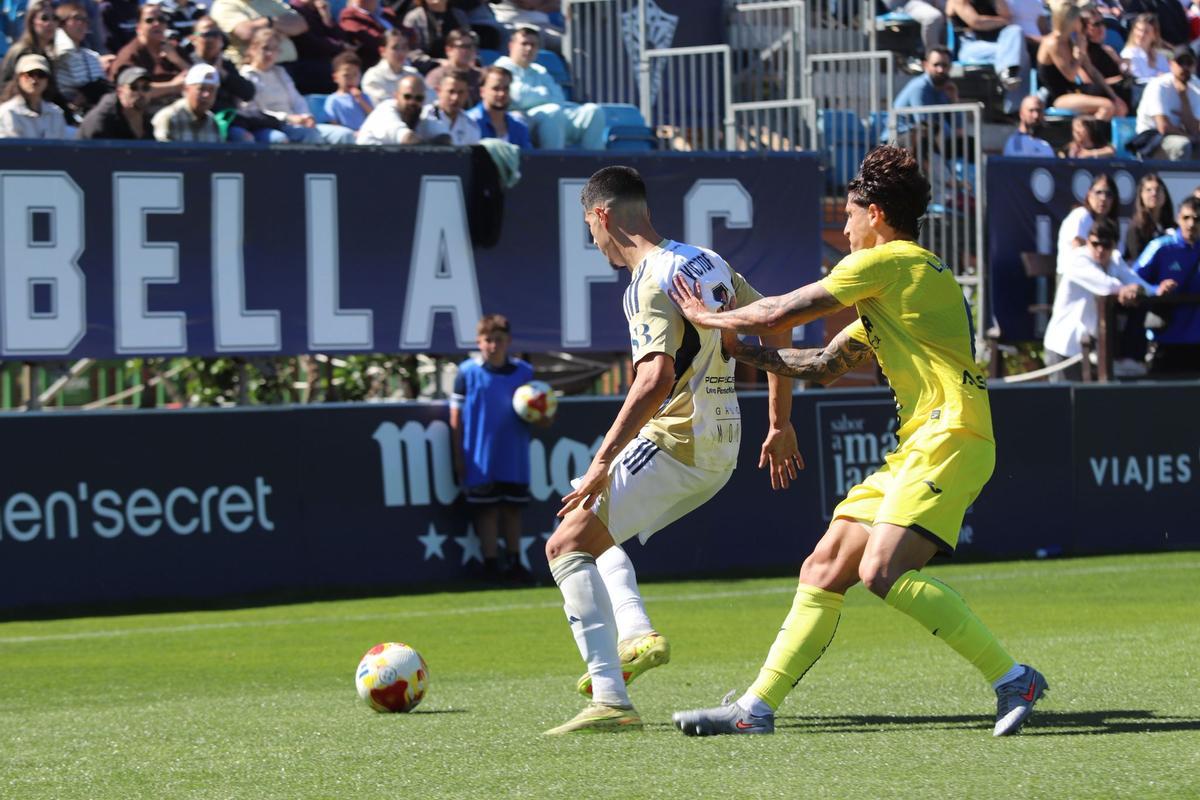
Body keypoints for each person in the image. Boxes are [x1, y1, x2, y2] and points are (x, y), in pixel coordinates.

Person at [668, 145, 1046, 739]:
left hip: (951, 432)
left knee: (882, 570)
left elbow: (779, 313)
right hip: (923, 442)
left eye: (848, 215)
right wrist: (744, 353)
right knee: (824, 566)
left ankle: (1012, 678)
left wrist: (708, 319)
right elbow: (822, 364)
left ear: (876, 214)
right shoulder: (900, 282)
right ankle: (754, 709)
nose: (844, 228)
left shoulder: (888, 262)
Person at [542, 165, 800, 735]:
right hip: (723, 445)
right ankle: (636, 634)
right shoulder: (705, 261)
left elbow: (654, 377)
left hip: (678, 440)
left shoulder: (648, 280)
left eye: (589, 227)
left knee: (563, 544)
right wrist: (779, 421)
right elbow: (777, 326)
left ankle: (610, 698)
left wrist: (602, 460)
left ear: (602, 215)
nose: (592, 240)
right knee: (589, 529)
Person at [449, 314, 544, 584]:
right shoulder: (467, 372)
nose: (493, 345)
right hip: (479, 457)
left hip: (514, 456)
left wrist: (544, 417)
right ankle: (490, 565)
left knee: (512, 509)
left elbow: (538, 411)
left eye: (498, 340)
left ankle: (515, 563)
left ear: (508, 341)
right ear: (478, 342)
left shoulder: (524, 372)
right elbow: (455, 417)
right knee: (487, 510)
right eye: (488, 340)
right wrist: (458, 456)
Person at [1042, 217, 1171, 381]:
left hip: (1090, 349)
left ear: (1115, 245)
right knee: (1063, 397)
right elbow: (1106, 286)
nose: (1100, 250)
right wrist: (1129, 290)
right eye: (1095, 244)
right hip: (1063, 347)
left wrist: (1156, 290)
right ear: (1087, 241)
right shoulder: (1077, 259)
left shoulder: (1115, 259)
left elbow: (1135, 281)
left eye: (1106, 245)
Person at [493, 26, 605, 150]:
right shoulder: (501, 68)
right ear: (511, 46)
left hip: (553, 117)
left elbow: (559, 97)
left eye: (533, 45)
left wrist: (533, 95)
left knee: (593, 111)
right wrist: (544, 94)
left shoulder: (540, 70)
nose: (529, 49)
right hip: (522, 120)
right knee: (553, 112)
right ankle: (555, 160)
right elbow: (518, 97)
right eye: (524, 44)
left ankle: (594, 159)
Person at [239, 28, 357, 143]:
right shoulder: (246, 75)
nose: (270, 54)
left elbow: (297, 100)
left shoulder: (280, 72)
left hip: (296, 123)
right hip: (271, 125)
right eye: (265, 48)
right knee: (309, 135)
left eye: (275, 49)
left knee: (344, 135)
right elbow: (253, 112)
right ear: (253, 49)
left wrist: (306, 116)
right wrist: (287, 118)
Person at [1135, 197, 1200, 375]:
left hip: (1196, 339)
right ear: (1178, 218)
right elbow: (1132, 279)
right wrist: (1156, 289)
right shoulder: (1160, 247)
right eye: (1186, 218)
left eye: (1197, 219)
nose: (1191, 224)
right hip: (1165, 338)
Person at [1036, 2, 1125, 120]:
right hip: (1058, 96)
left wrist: (1114, 96)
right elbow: (1071, 75)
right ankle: (1087, 130)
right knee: (1107, 106)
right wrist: (1080, 52)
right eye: (1078, 19)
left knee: (1119, 107)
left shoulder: (1069, 40)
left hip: (1073, 91)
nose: (1081, 23)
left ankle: (1094, 128)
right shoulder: (1053, 42)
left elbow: (1092, 70)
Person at [189, 16, 266, 143]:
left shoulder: (225, 65)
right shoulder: (186, 62)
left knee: (276, 138)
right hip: (202, 124)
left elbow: (248, 93)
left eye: (216, 35)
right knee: (243, 138)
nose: (212, 39)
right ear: (193, 38)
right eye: (206, 34)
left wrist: (223, 74)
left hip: (231, 121)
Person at [944, 0, 1029, 113]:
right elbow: (976, 22)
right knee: (1016, 53)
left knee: (1015, 31)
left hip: (996, 44)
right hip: (970, 46)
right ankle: (1014, 104)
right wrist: (1002, 21)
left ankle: (1007, 76)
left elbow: (1008, 17)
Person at [107, 3, 192, 114]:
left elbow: (198, 79)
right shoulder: (130, 54)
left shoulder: (173, 48)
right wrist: (173, 86)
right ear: (139, 27)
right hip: (142, 112)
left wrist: (177, 60)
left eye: (161, 19)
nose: (157, 24)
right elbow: (134, 90)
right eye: (149, 20)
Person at [1133, 44, 1200, 161]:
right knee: (1183, 145)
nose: (1184, 67)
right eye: (1180, 62)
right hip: (1151, 140)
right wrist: (1190, 137)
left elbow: (1194, 129)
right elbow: (1163, 127)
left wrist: (1183, 98)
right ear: (1171, 64)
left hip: (1181, 135)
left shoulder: (1196, 86)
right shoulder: (1158, 85)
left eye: (1189, 63)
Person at [357, 71, 450, 143]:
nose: (412, 102)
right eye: (407, 97)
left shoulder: (422, 115)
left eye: (418, 98)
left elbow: (445, 138)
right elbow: (407, 139)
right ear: (396, 96)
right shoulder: (385, 110)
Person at [53, 1, 110, 114]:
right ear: (61, 23)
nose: (82, 23)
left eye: (85, 20)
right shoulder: (58, 54)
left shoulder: (92, 56)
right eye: (77, 18)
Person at [209, 0, 308, 66]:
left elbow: (301, 24)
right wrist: (271, 22)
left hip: (291, 65)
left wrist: (267, 25)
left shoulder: (270, 1)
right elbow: (246, 33)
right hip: (257, 70)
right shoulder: (225, 5)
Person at [1057, 172, 1118, 275]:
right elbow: (1078, 252)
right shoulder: (1080, 215)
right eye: (1098, 192)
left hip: (1100, 276)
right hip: (1074, 276)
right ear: (1089, 194)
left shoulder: (1109, 224)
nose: (1103, 198)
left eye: (1109, 194)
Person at [288, 0, 354, 94]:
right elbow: (310, 42)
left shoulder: (318, 9)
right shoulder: (293, 10)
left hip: (326, 59)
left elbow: (341, 37)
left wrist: (326, 17)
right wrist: (341, 47)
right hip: (308, 65)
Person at [77, 63, 154, 138]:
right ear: (120, 92)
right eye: (133, 87)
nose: (140, 92)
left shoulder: (144, 116)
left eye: (145, 87)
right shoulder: (103, 119)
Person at [0, 53, 68, 138]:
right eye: (30, 74)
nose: (35, 80)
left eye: (41, 74)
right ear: (18, 78)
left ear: (48, 80)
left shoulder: (56, 113)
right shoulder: (8, 112)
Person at [151, 61, 222, 141]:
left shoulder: (213, 122)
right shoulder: (168, 117)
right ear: (186, 89)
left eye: (212, 90)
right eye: (201, 89)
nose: (206, 95)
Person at [466, 65, 532, 148]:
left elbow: (527, 155)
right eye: (496, 88)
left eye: (506, 88)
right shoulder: (469, 123)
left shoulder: (519, 127)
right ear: (482, 91)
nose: (502, 94)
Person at [1080, 5, 1131, 109]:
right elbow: (1088, 83)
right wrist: (1118, 80)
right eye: (1096, 24)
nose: (1102, 28)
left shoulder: (1108, 50)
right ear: (1085, 28)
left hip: (1120, 91)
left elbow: (1123, 71)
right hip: (1101, 95)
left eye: (1103, 23)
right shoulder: (1082, 54)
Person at [424, 28, 483, 106]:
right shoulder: (436, 76)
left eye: (470, 46)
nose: (466, 51)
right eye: (462, 46)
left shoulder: (481, 76)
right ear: (448, 50)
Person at [1125, 172, 1175, 264]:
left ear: (1165, 195)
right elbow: (1138, 261)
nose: (1154, 193)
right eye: (1148, 190)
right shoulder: (1135, 228)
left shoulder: (1173, 226)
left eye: (1158, 189)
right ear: (1141, 195)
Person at [361, 27, 419, 106]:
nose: (401, 52)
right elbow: (383, 108)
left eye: (404, 47)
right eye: (395, 48)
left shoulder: (414, 74)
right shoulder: (373, 77)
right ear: (382, 51)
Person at [402, 0, 470, 66]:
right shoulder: (413, 18)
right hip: (425, 69)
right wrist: (436, 63)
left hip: (458, 67)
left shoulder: (459, 16)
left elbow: (469, 44)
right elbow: (411, 52)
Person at [880, 0, 946, 60]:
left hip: (929, 3)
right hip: (904, 4)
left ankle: (946, 56)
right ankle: (933, 58)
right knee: (933, 17)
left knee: (950, 9)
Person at [424, 69, 478, 143]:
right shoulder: (424, 118)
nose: (455, 98)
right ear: (438, 91)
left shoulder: (472, 127)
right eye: (451, 91)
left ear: (467, 94)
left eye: (461, 92)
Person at [323, 50, 373, 130]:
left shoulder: (364, 97)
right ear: (335, 78)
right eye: (346, 75)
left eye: (355, 75)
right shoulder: (333, 99)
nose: (351, 79)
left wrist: (361, 101)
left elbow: (374, 116)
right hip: (346, 136)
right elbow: (332, 123)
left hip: (365, 134)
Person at [338, 0, 396, 69]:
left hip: (399, 57)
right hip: (377, 64)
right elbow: (372, 39)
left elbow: (403, 30)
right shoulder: (349, 15)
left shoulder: (386, 12)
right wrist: (395, 41)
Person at [1120, 13, 1169, 84]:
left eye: (1146, 32)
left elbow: (1169, 75)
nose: (1141, 34)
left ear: (1154, 35)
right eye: (1139, 30)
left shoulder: (1160, 55)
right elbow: (1137, 80)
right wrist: (1159, 79)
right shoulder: (1128, 54)